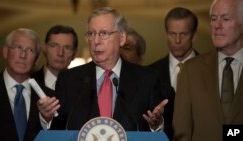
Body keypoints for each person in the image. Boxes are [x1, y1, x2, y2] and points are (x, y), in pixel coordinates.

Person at [38, 7, 168, 132]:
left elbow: (158, 128)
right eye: (91, 34)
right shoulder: (68, 80)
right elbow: (58, 130)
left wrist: (156, 125)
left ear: (121, 38)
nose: (95, 41)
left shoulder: (147, 79)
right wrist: (46, 118)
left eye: (104, 33)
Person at [173, 0, 243, 140]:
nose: (217, 25)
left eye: (225, 18)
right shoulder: (190, 70)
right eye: (213, 19)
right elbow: (181, 134)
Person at [0, 28, 56, 141]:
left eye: (30, 50)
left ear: (36, 59)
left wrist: (46, 119)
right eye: (18, 48)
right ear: (5, 52)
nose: (23, 55)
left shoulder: (50, 98)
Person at [148, 7, 199, 140]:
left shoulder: (212, 70)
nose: (177, 41)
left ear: (194, 35)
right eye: (172, 34)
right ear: (166, 33)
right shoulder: (150, 73)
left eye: (183, 34)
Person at [31, 25, 78, 90]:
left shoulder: (84, 86)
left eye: (67, 48)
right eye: (54, 46)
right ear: (44, 48)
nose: (60, 53)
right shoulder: (29, 82)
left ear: (75, 54)